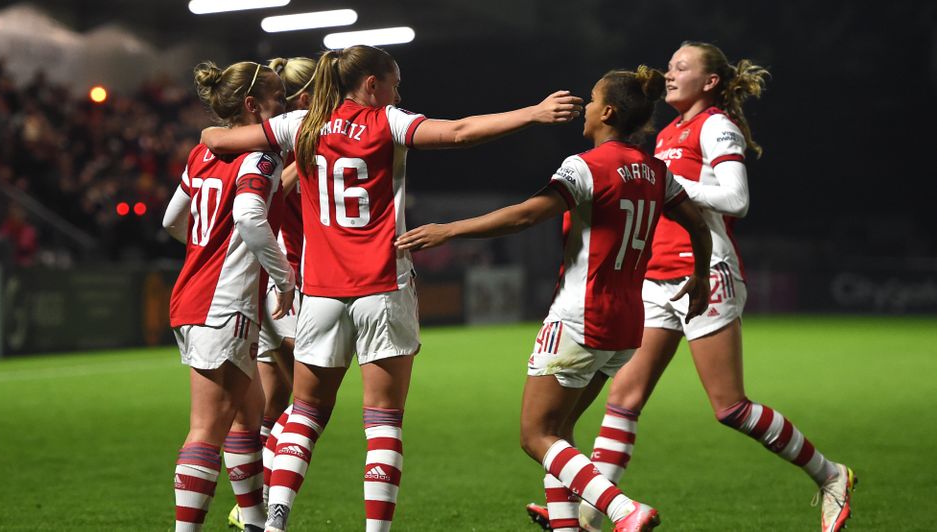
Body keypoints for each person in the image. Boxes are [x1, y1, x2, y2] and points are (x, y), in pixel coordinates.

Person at [201, 44, 583, 532]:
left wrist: (208, 131)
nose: (398, 92)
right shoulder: (389, 121)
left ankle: (273, 524)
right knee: (382, 421)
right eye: (395, 83)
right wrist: (533, 113)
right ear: (372, 85)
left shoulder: (302, 126)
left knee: (304, 414)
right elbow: (461, 133)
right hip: (382, 285)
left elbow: (221, 141)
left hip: (319, 294)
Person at [535, 42, 856, 532]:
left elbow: (736, 198)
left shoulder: (716, 126)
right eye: (669, 65)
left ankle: (831, 475)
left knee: (731, 407)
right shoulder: (667, 131)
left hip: (705, 274)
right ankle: (591, 516)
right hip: (657, 277)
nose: (669, 72)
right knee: (624, 398)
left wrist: (667, 187)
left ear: (709, 82)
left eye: (681, 67)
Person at [396, 66, 712, 532]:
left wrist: (450, 229)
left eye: (590, 99)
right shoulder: (654, 171)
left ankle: (624, 510)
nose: (583, 107)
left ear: (607, 112)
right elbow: (699, 224)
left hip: (580, 318)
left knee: (535, 434)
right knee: (560, 434)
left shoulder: (585, 165)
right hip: (626, 324)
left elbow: (526, 216)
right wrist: (701, 276)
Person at [163, 59, 294, 532]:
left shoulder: (201, 157)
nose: (284, 107)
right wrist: (284, 278)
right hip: (225, 303)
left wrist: (206, 248)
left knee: (247, 416)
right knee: (207, 429)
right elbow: (251, 218)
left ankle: (255, 522)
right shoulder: (258, 158)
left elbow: (171, 222)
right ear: (252, 105)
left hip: (192, 298)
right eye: (278, 99)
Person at [228, 55, 318, 532]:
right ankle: (262, 509)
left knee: (276, 396)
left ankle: (249, 506)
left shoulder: (284, 139)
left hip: (268, 280)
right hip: (288, 281)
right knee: (311, 400)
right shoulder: (296, 141)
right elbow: (265, 201)